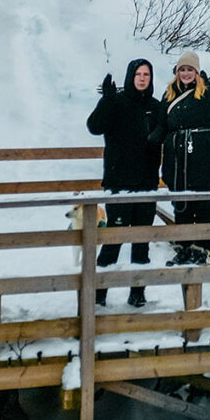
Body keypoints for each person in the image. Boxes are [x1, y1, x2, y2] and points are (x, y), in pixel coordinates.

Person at [150, 47, 210, 265]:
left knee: (203, 205)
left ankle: (202, 250)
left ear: (196, 71)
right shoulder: (169, 95)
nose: (186, 73)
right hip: (177, 159)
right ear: (177, 72)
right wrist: (145, 142)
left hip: (203, 157)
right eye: (182, 69)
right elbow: (161, 126)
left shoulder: (208, 92)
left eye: (190, 69)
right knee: (182, 205)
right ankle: (183, 248)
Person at [87, 58, 160, 307]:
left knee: (141, 243)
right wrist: (106, 100)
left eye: (146, 75)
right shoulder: (116, 102)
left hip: (146, 185)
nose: (142, 78)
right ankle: (99, 293)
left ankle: (137, 291)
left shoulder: (155, 106)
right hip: (120, 184)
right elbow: (94, 127)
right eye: (138, 74)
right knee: (113, 241)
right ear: (131, 76)